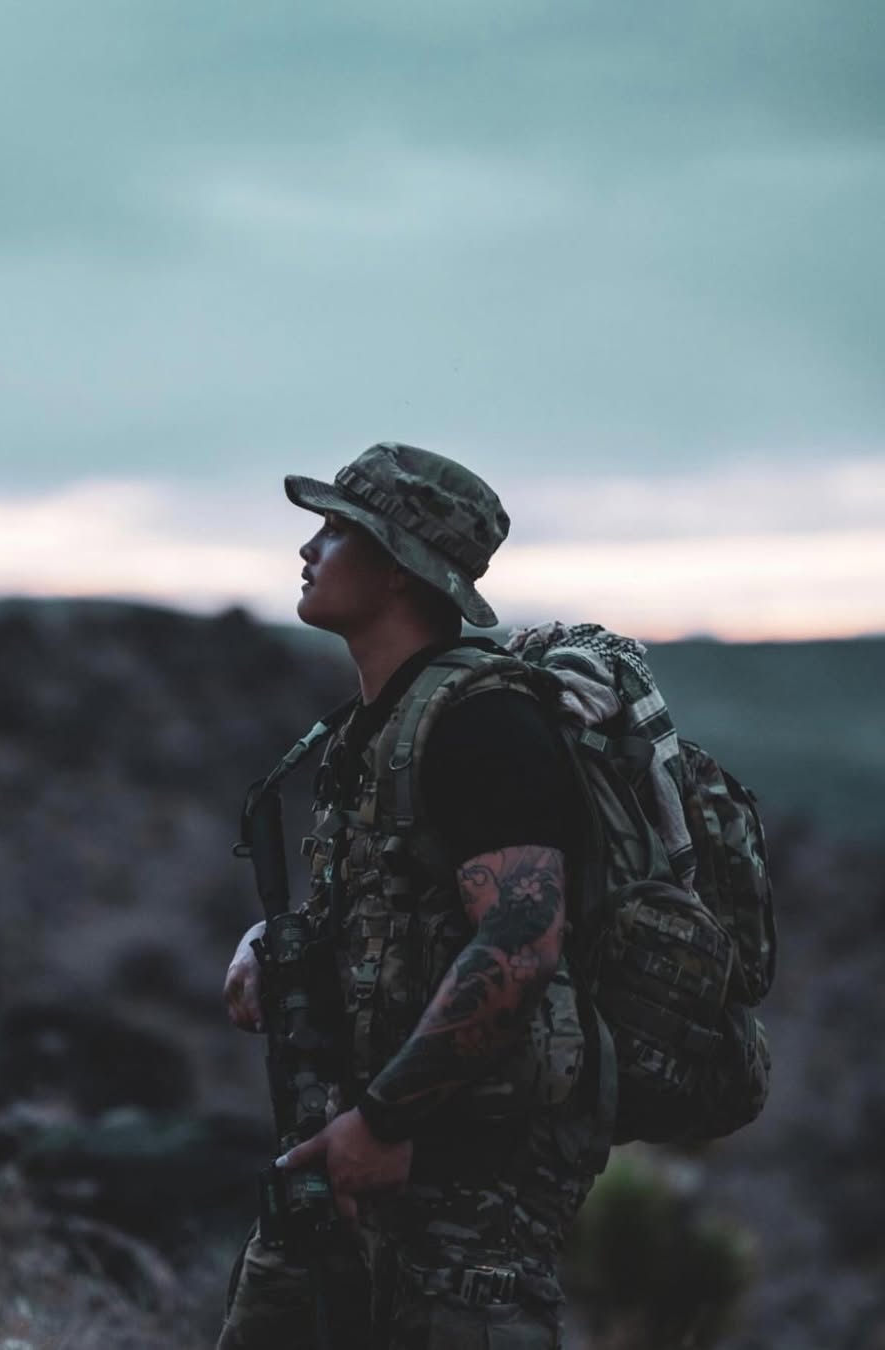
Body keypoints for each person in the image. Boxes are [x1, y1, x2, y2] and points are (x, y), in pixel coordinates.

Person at [218, 443, 611, 1350]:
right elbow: (396, 912)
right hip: (345, 1174)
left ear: (398, 565)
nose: (308, 550)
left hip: (462, 1207)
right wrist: (272, 938)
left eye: (335, 531)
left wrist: (384, 1120)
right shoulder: (380, 723)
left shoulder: (484, 724)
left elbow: (521, 939)